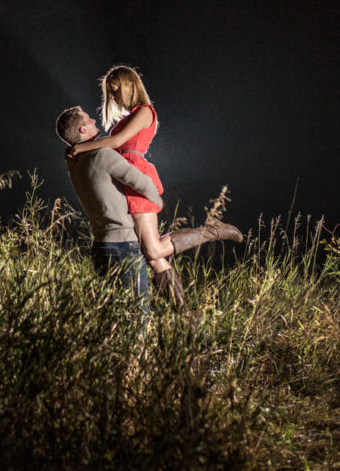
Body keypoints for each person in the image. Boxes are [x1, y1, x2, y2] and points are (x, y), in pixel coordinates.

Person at [66, 65, 243, 304]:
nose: (114, 97)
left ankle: (215, 231)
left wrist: (79, 147)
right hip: (123, 178)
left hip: (136, 175)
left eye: (116, 91)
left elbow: (117, 141)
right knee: (151, 255)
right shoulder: (128, 118)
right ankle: (182, 312)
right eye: (111, 93)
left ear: (130, 85)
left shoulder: (145, 112)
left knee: (153, 250)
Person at [55, 104, 162, 309]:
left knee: (113, 314)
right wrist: (157, 200)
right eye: (88, 120)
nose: (94, 121)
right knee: (136, 315)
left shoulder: (75, 164)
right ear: (82, 130)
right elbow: (141, 182)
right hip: (123, 245)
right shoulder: (102, 155)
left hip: (100, 247)